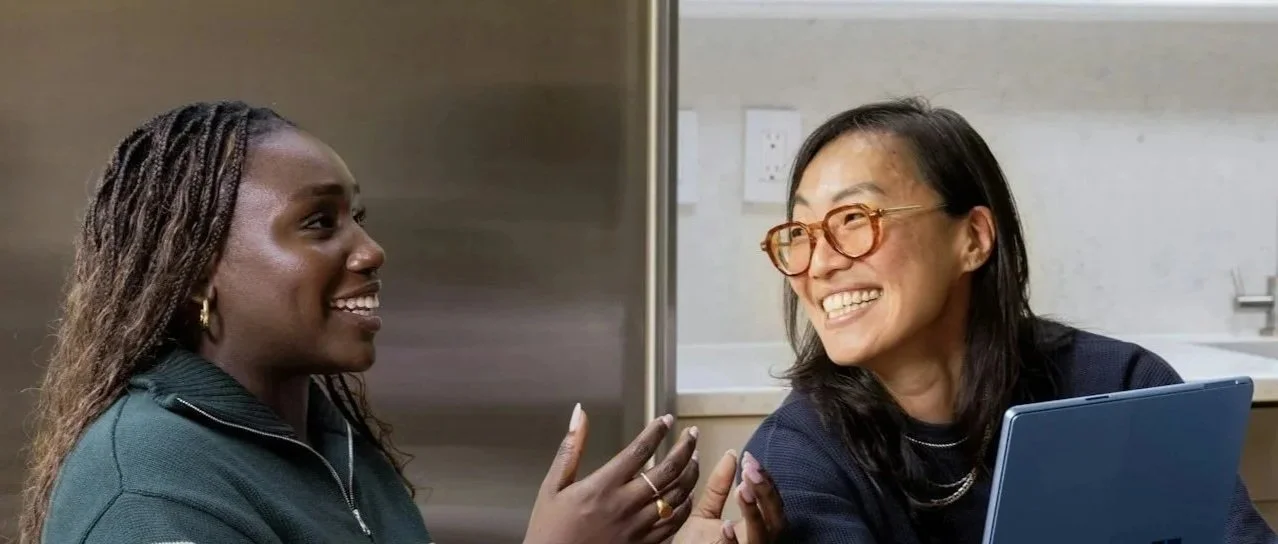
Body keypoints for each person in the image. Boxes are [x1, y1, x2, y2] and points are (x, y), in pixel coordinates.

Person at [18, 101, 783, 544]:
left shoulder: (325, 435)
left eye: (358, 217)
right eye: (319, 222)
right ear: (193, 274)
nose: (371, 250)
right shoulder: (148, 492)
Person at [741, 97, 1277, 543]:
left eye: (854, 219)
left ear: (972, 238)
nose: (821, 262)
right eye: (801, 235)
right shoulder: (795, 455)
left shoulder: (1123, 385)